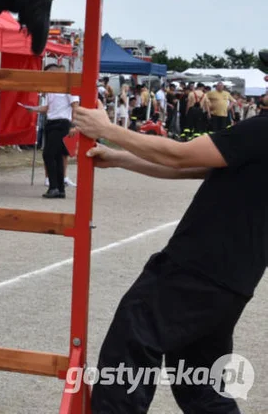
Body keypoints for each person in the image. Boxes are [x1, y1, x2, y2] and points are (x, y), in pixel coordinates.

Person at [73, 104, 268, 412]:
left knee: (131, 344)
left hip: (199, 267)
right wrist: (123, 158)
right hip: (232, 278)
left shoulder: (262, 130)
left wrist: (108, 130)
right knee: (199, 385)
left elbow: (180, 155)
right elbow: (194, 166)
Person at [22, 64, 80, 199]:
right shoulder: (50, 89)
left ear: (55, 74)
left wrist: (73, 125)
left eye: (48, 75)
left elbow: (75, 106)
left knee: (48, 154)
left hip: (62, 123)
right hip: (52, 123)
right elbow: (49, 107)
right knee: (57, 157)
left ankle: (53, 186)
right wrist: (34, 109)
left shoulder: (67, 87)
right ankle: (60, 189)